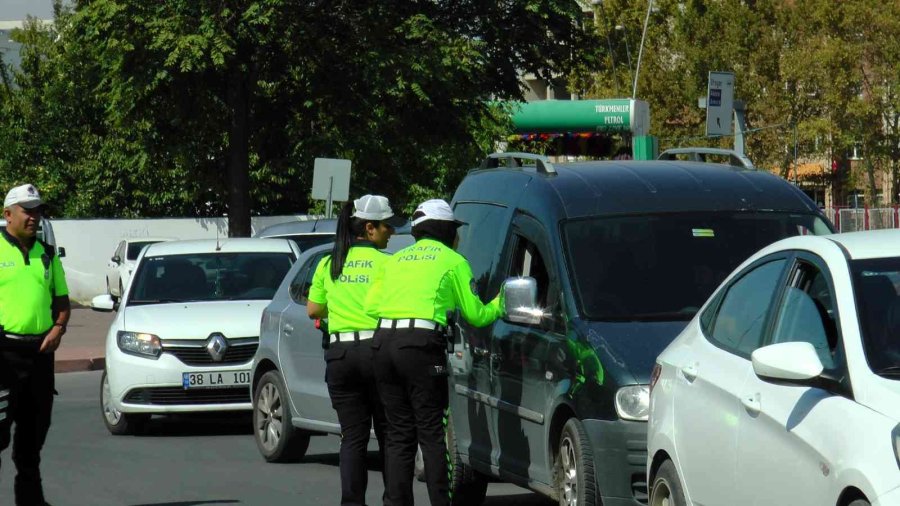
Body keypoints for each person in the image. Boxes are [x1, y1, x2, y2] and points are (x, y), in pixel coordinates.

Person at [365, 199, 504, 506]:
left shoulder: (396, 259)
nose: (458, 237)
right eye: (455, 230)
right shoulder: (452, 261)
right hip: (419, 346)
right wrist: (503, 301)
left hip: (383, 342)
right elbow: (478, 315)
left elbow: (371, 306)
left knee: (399, 435)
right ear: (445, 231)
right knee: (431, 433)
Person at [307, 194, 405, 506]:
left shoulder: (329, 262)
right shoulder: (389, 264)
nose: (392, 232)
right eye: (388, 226)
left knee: (352, 437)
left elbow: (313, 310)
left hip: (340, 357)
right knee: (390, 434)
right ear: (369, 227)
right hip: (378, 353)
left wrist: (335, 314)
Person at [0, 183, 70, 506]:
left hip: (40, 356)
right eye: (27, 211)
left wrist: (58, 328)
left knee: (33, 436)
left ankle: (30, 501)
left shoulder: (48, 255)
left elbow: (62, 303)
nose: (34, 217)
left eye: (37, 210)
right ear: (8, 214)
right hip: (3, 356)